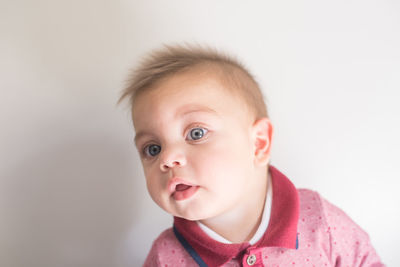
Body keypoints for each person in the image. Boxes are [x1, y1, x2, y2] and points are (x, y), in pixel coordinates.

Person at [119, 45, 384, 267]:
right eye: (153, 148)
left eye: (196, 133)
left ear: (258, 143)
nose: (167, 158)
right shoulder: (166, 257)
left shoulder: (318, 219)